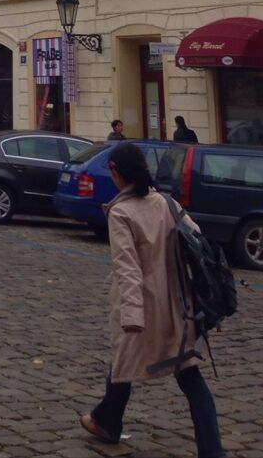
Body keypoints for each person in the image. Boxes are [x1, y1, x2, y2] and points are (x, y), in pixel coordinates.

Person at [80, 142, 225, 458]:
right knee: (187, 376)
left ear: (117, 172)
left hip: (144, 308)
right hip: (177, 307)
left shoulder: (121, 213)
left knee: (126, 359)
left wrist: (131, 315)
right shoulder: (166, 204)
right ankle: (211, 451)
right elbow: (197, 239)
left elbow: (127, 268)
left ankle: (107, 420)